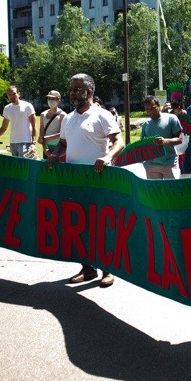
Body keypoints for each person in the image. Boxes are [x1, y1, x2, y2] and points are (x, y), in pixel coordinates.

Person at [47, 73, 124, 287]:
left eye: (76, 89)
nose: (72, 93)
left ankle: (108, 269)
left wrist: (108, 157)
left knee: (101, 226)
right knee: (80, 226)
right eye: (71, 89)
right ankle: (88, 268)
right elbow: (63, 143)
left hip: (99, 180)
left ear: (89, 91)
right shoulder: (68, 119)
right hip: (75, 182)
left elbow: (119, 141)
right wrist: (55, 155)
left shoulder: (102, 115)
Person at [141, 95, 183, 179]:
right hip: (151, 166)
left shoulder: (171, 118)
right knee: (154, 188)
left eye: (153, 108)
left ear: (159, 106)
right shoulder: (146, 124)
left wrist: (165, 141)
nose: (150, 111)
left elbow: (180, 140)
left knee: (172, 187)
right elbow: (143, 144)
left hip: (169, 163)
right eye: (147, 109)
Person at [0, 85, 37, 157]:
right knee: (16, 164)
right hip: (13, 143)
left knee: (24, 163)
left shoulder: (27, 106)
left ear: (19, 94)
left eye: (14, 94)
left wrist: (33, 143)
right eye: (9, 94)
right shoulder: (7, 108)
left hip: (25, 142)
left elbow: (34, 126)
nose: (12, 96)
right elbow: (3, 128)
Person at [38, 90, 65, 159]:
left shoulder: (62, 115)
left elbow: (62, 134)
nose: (50, 100)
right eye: (49, 98)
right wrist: (45, 148)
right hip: (46, 147)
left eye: (53, 98)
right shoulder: (43, 114)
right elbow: (42, 132)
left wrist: (45, 138)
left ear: (58, 100)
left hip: (58, 149)